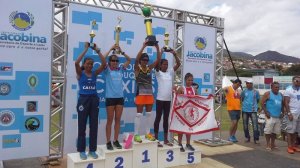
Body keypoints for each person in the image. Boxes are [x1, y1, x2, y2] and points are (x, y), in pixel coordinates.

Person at [75, 42, 106, 160]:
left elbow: (104, 64)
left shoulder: (94, 73)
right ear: (85, 64)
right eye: (88, 64)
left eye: (92, 64)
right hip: (83, 100)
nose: (90, 66)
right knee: (82, 126)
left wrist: (97, 50)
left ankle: (92, 150)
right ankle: (82, 150)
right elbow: (76, 62)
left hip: (94, 100)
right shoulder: (80, 73)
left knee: (94, 126)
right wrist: (86, 49)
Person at [104, 44, 131, 150]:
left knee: (118, 120)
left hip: (120, 98)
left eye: (116, 61)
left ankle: (115, 140)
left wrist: (122, 51)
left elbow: (128, 60)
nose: (115, 62)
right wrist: (110, 49)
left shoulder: (120, 69)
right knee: (110, 120)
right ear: (110, 62)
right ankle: (108, 142)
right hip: (110, 98)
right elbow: (103, 59)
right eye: (113, 60)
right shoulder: (107, 70)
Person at [134, 41, 161, 143]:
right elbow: (136, 59)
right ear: (141, 61)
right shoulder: (137, 68)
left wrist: (157, 47)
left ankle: (147, 133)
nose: (145, 61)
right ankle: (136, 135)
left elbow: (158, 59)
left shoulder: (149, 68)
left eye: (146, 60)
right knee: (139, 115)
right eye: (143, 60)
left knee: (149, 114)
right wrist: (143, 46)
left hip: (149, 94)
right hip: (140, 94)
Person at [154, 48, 181, 147]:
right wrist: (160, 53)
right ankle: (156, 139)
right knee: (158, 118)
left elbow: (178, 64)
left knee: (166, 119)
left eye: (167, 64)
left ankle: (165, 140)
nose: (165, 65)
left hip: (168, 100)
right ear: (160, 65)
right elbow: (156, 63)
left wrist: (174, 54)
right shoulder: (158, 72)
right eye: (164, 64)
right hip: (160, 99)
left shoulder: (170, 72)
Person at [176, 73, 197, 152]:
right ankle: (180, 143)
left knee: (189, 128)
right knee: (181, 128)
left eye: (191, 80)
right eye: (189, 80)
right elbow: (176, 99)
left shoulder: (194, 89)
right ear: (185, 80)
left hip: (190, 112)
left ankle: (188, 144)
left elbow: (198, 99)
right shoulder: (181, 88)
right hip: (182, 112)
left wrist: (209, 98)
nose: (190, 81)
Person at [261, 82, 283, 150]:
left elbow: (282, 104)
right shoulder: (268, 93)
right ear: (272, 87)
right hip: (270, 116)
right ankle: (268, 144)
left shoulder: (281, 94)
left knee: (275, 132)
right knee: (268, 131)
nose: (277, 88)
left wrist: (282, 112)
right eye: (275, 87)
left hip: (277, 116)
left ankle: (273, 143)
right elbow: (262, 103)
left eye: (278, 87)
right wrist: (266, 112)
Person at [241, 79, 260, 144]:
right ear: (246, 84)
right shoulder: (244, 91)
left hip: (253, 110)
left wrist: (254, 106)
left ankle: (256, 138)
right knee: (245, 125)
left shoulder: (256, 92)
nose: (248, 84)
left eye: (250, 83)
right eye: (247, 83)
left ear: (252, 84)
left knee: (255, 125)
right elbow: (242, 99)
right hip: (245, 110)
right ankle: (247, 137)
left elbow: (257, 100)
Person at [284, 76, 300, 154]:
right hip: (292, 113)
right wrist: (289, 113)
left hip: (299, 113)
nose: (298, 82)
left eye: (299, 81)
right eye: (297, 81)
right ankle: (289, 147)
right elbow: (286, 102)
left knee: (296, 131)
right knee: (290, 131)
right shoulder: (288, 90)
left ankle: (294, 145)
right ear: (293, 81)